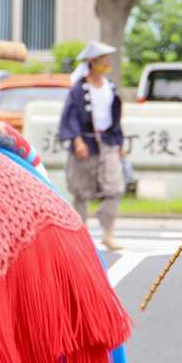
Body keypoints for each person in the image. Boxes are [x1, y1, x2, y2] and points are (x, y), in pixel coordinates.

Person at [58, 41, 125, 252]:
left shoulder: (109, 86)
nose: (106, 63)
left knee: (115, 187)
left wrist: (119, 142)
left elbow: (115, 117)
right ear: (92, 62)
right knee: (80, 190)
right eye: (102, 59)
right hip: (85, 143)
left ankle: (108, 232)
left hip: (107, 142)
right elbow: (70, 116)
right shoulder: (79, 89)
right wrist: (77, 140)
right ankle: (81, 233)